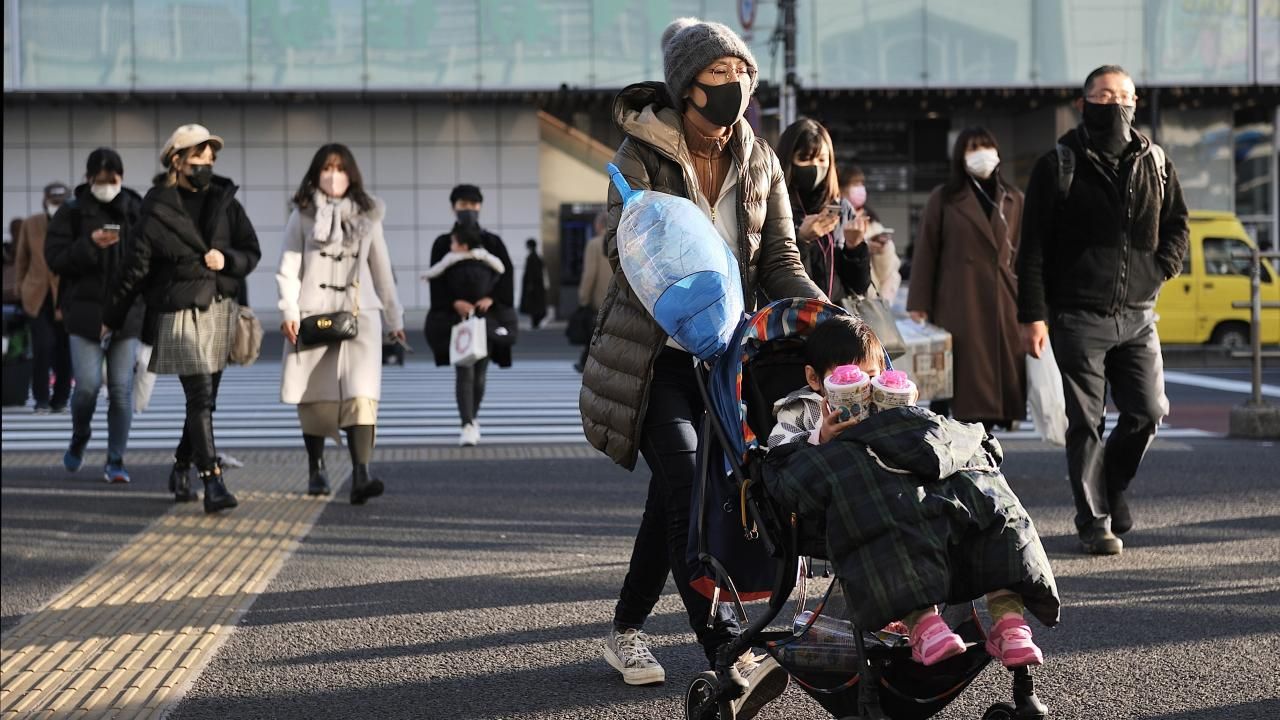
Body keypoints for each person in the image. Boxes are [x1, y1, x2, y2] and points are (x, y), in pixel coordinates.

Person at [579, 17, 823, 715]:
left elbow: (780, 262)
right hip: (655, 356)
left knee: (672, 503)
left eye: (742, 74)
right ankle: (728, 651)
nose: (735, 87)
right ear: (688, 87)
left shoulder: (759, 158)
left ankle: (625, 630)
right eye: (720, 76)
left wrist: (826, 319)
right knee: (689, 486)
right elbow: (622, 254)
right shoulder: (637, 158)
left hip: (728, 360)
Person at [766, 315, 1051, 669]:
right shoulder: (801, 409)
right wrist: (821, 437)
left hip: (914, 489)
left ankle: (1010, 624)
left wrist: (908, 413)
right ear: (814, 379)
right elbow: (779, 456)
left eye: (870, 377)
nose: (863, 388)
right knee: (892, 521)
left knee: (986, 501)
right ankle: (924, 623)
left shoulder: (887, 398)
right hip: (860, 498)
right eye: (848, 378)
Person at [1016, 65, 1189, 556]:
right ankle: (1093, 521)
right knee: (1086, 422)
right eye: (1104, 95)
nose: (1114, 104)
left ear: (1135, 102)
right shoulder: (1059, 164)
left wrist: (1160, 269)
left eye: (1123, 96)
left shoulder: (1155, 160)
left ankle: (1112, 486)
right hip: (1077, 315)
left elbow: (1178, 223)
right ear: (1083, 103)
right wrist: (1032, 315)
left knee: (1148, 412)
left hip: (1138, 314)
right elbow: (1031, 249)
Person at [105, 123, 262, 513]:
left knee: (206, 403)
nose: (205, 164)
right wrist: (112, 317)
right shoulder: (156, 208)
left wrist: (227, 260)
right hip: (177, 310)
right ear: (177, 160)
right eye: (197, 157)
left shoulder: (225, 199)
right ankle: (213, 481)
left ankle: (180, 468)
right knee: (201, 396)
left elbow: (251, 250)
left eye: (210, 157)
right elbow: (133, 269)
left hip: (220, 307)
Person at [278, 144, 405, 504]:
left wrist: (394, 318)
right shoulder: (301, 214)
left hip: (359, 315)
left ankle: (361, 474)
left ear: (352, 175)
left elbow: (382, 272)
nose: (334, 176)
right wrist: (288, 311)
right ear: (316, 173)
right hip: (310, 315)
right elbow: (287, 268)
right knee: (314, 396)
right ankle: (316, 468)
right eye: (327, 169)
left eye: (340, 169)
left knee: (361, 396)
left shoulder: (369, 215)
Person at [907, 128, 1027, 430]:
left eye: (987, 145)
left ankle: (986, 453)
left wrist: (1034, 308)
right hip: (959, 302)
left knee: (997, 388)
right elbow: (926, 252)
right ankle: (966, 451)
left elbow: (1027, 254)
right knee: (962, 388)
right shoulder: (944, 198)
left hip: (1005, 302)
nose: (981, 153)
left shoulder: (1014, 199)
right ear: (960, 155)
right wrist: (919, 302)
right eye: (973, 147)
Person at [44, 148, 145, 482]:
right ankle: (80, 436)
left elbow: (146, 259)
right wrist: (90, 245)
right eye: (100, 181)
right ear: (88, 179)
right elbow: (55, 258)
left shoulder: (135, 209)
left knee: (120, 388)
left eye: (112, 180)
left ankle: (115, 460)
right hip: (84, 313)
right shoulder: (71, 213)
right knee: (86, 387)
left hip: (126, 312)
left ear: (122, 177)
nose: (107, 186)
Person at [424, 184, 515, 447]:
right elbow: (436, 280)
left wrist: (493, 300)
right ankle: (467, 422)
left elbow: (505, 276)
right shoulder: (443, 243)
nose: (468, 210)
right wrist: (454, 303)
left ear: (480, 207)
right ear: (454, 207)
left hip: (487, 318)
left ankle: (472, 418)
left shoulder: (492, 242)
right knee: (464, 369)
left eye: (473, 205)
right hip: (456, 319)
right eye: (463, 205)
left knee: (481, 371)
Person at [775, 119, 871, 305]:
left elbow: (859, 287)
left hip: (836, 320)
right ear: (788, 161)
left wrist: (855, 247)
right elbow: (774, 276)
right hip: (791, 319)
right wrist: (801, 239)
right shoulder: (775, 206)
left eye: (821, 159)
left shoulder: (841, 209)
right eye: (805, 159)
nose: (815, 167)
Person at [15, 183, 72, 414]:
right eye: (53, 202)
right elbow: (22, 260)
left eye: (60, 202)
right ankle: (40, 398)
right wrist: (20, 288)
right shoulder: (32, 224)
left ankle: (60, 398)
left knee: (64, 350)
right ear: (45, 200)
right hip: (36, 296)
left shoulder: (75, 223)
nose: (55, 207)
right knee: (43, 346)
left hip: (67, 296)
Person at [841, 166, 901, 301]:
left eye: (862, 184)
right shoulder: (833, 220)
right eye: (855, 184)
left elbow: (888, 272)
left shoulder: (874, 224)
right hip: (846, 301)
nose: (860, 189)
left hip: (872, 304)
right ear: (840, 189)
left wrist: (882, 250)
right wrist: (861, 248)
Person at [574, 210, 612, 373]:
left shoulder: (595, 244)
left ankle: (587, 363)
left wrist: (584, 298)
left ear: (598, 225)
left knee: (595, 334)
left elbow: (589, 274)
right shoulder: (623, 240)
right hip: (621, 300)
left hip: (600, 300)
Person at [519, 238, 548, 329]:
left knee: (534, 305)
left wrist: (530, 284)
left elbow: (532, 273)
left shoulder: (532, 258)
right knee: (536, 305)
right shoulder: (537, 257)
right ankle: (536, 320)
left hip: (534, 286)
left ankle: (536, 320)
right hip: (537, 286)